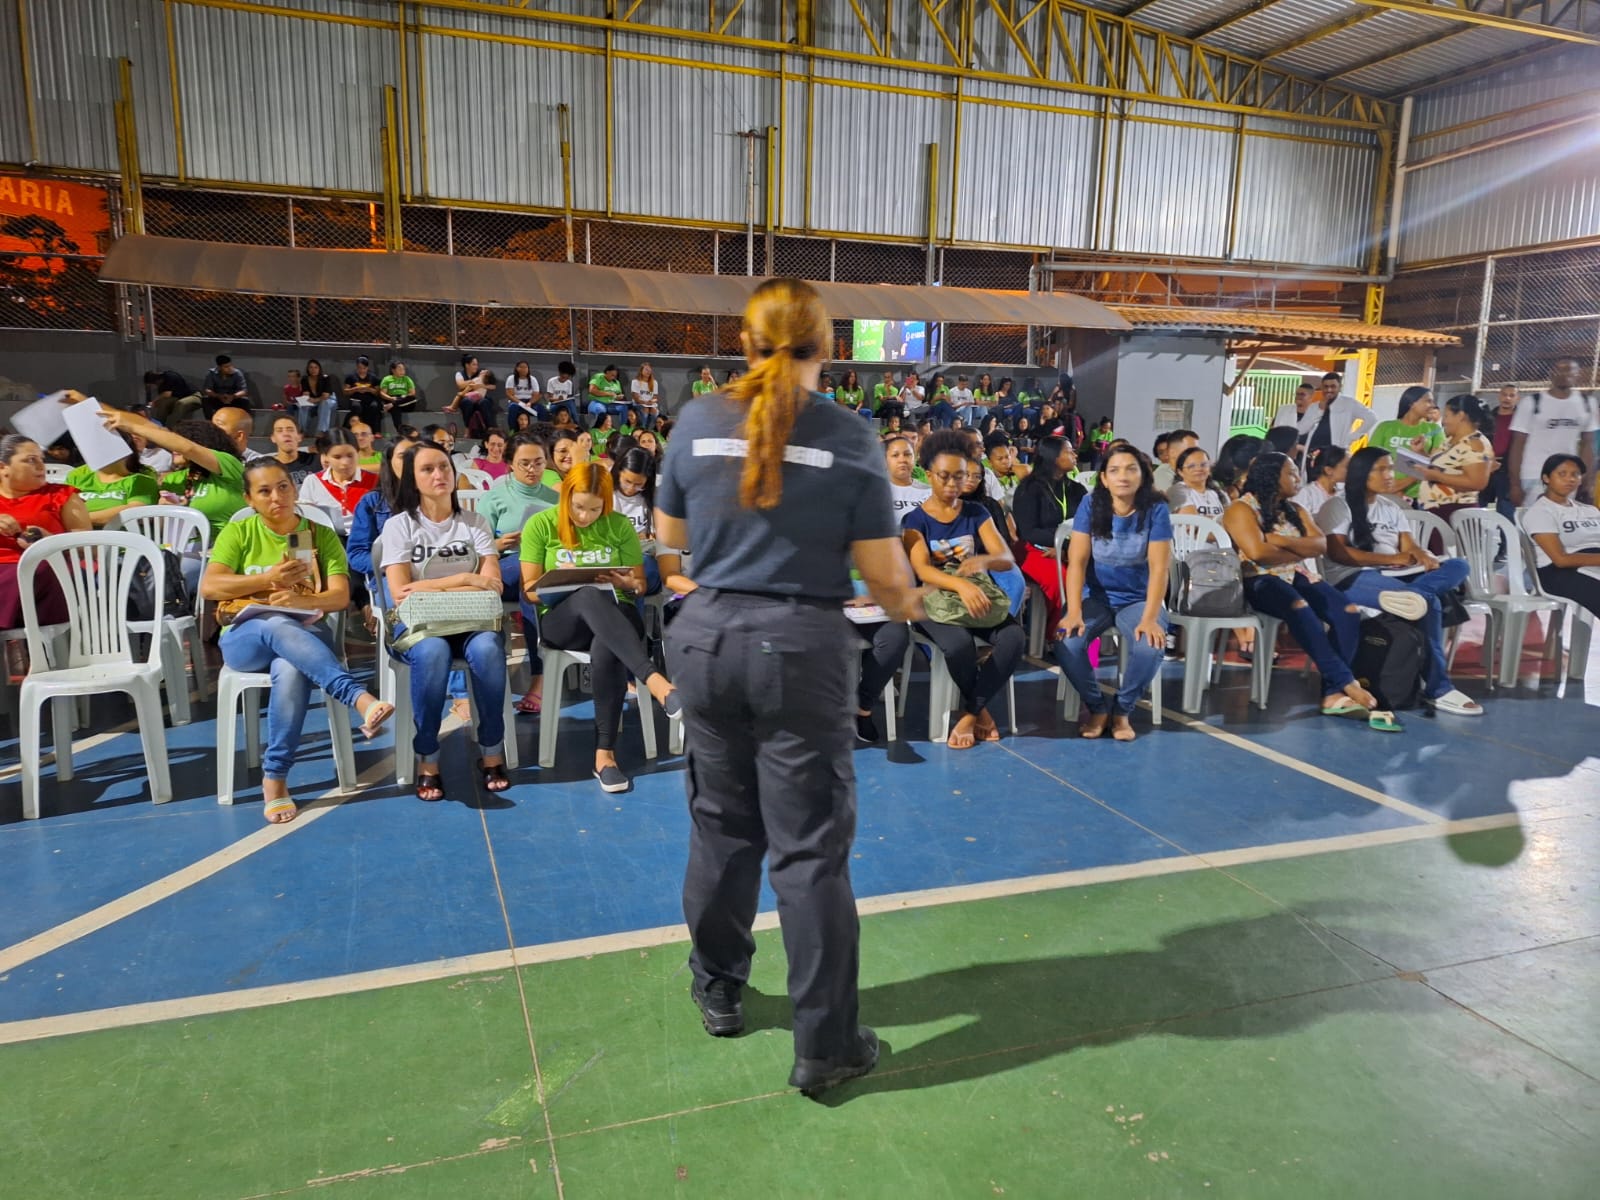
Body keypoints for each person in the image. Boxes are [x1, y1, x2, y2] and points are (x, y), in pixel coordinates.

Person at [656, 277, 922, 1096]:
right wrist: (910, 601)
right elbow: (887, 582)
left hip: (706, 640)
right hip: (800, 650)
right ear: (827, 347)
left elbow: (671, 539)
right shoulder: (848, 436)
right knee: (809, 853)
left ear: (743, 343)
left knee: (721, 827)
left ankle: (719, 988)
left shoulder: (696, 420)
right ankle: (825, 1047)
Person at [202, 460, 394, 822]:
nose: (277, 497)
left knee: (290, 669)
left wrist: (301, 601)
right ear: (249, 499)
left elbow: (339, 596)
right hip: (245, 638)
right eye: (264, 491)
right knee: (274, 622)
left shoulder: (318, 535)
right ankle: (357, 696)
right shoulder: (239, 532)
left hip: (305, 636)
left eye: (283, 487)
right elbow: (210, 586)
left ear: (294, 489)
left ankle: (275, 776)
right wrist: (270, 580)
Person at [521, 461, 680, 793]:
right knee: (588, 594)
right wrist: (561, 582)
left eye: (595, 509)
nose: (585, 516)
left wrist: (625, 581)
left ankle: (604, 757)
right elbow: (530, 591)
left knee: (606, 640)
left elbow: (639, 585)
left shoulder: (618, 525)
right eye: (579, 507)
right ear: (566, 497)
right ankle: (656, 682)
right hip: (563, 620)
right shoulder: (541, 525)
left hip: (617, 613)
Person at [378, 444, 510, 800]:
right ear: (412, 479)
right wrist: (466, 579)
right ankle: (428, 756)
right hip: (420, 626)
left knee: (488, 649)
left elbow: (494, 583)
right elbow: (401, 593)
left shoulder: (474, 522)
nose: (439, 475)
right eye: (427, 469)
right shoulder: (399, 526)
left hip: (471, 621)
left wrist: (428, 585)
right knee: (432, 652)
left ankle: (492, 750)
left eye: (444, 467)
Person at [1222, 452, 1389, 727]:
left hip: (1297, 574)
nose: (1298, 478)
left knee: (1346, 611)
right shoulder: (1241, 509)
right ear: (1271, 476)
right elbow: (1257, 553)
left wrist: (1279, 540)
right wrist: (1297, 550)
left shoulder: (1295, 509)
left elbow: (1321, 545)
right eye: (1291, 473)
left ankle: (1332, 695)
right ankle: (1346, 682)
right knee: (1298, 606)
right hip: (1257, 579)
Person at [1319, 447, 1480, 716]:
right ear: (1361, 473)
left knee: (1459, 565)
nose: (1390, 475)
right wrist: (1392, 558)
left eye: (1391, 468)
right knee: (1430, 603)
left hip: (1397, 576)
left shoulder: (1390, 507)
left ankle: (1415, 593)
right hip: (1352, 577)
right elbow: (1338, 553)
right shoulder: (1337, 505)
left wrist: (1424, 556)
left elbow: (1410, 546)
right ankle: (1439, 689)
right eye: (1381, 469)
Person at [903, 429, 1026, 751]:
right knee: (958, 646)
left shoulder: (977, 513)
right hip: (932, 602)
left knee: (1014, 638)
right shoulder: (915, 521)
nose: (952, 484)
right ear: (929, 474)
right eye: (944, 476)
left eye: (959, 476)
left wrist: (984, 561)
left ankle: (970, 713)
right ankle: (981, 711)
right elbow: (922, 569)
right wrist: (960, 583)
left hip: (976, 597)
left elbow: (1005, 558)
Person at [1053, 443, 1170, 740]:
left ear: (1143, 475)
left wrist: (1150, 618)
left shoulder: (1156, 508)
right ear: (1104, 478)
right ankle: (1097, 708)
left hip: (1138, 600)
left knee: (1150, 645)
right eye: (1114, 470)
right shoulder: (1091, 505)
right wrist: (1074, 611)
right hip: (1095, 597)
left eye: (1131, 469)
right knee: (1066, 640)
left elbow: (1159, 569)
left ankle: (1122, 710)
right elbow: (1077, 562)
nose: (1123, 476)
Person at [99, 408, 245, 590]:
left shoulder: (229, 466)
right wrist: (165, 511)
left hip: (217, 550)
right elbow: (161, 528)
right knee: (137, 571)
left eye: (177, 441)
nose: (172, 449)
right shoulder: (173, 480)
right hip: (175, 549)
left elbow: (188, 448)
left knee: (172, 573)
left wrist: (133, 427)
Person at [480, 433, 560, 716]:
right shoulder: (493, 498)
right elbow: (476, 548)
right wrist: (498, 543)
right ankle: (540, 676)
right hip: (508, 565)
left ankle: (549, 672)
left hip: (549, 565)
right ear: (510, 464)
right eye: (524, 463)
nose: (532, 469)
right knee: (530, 581)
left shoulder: (556, 499)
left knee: (540, 580)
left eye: (538, 462)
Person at [0, 435, 90, 630]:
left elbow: (89, 549)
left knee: (33, 570)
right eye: (31, 460)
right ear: (2, 467)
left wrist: (50, 540)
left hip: (43, 569)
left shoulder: (61, 495)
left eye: (41, 459)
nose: (42, 466)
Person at [1011, 434, 1088, 633]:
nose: (1075, 455)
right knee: (1061, 579)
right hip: (1033, 548)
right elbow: (1028, 531)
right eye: (1069, 451)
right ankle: (1056, 635)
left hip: (1071, 549)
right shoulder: (1029, 489)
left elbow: (1089, 526)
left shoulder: (1077, 490)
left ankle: (1088, 636)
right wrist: (1062, 545)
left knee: (1093, 576)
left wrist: (1067, 549)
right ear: (1053, 457)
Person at [1507, 356, 1598, 505]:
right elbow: (1517, 445)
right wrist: (1515, 484)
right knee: (1537, 518)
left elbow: (1588, 445)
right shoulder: (1531, 403)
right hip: (1534, 475)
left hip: (1568, 477)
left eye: (1569, 370)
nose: (1564, 374)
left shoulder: (1587, 403)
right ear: (1551, 373)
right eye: (1559, 370)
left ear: (1578, 374)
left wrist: (1588, 482)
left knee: (1564, 518)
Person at [1523, 453, 1600, 619]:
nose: (1570, 479)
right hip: (1557, 573)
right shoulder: (1540, 512)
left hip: (1592, 564)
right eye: (1562, 474)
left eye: (1575, 474)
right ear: (1546, 478)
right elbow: (1560, 559)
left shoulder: (1590, 511)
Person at [1414, 395, 1495, 523]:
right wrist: (1420, 452)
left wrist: (1436, 476)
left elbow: (1477, 482)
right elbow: (1443, 467)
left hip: (1456, 512)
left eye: (1446, 416)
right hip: (1436, 511)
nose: (1443, 421)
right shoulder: (1450, 440)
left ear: (1460, 416)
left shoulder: (1475, 443)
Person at [1368, 387, 1444, 501]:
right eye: (1428, 401)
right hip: (1385, 493)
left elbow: (1438, 464)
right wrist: (1392, 489)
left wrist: (1404, 483)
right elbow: (1371, 461)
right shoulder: (1385, 427)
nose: (1433, 405)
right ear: (1412, 403)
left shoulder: (1434, 430)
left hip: (1419, 497)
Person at [1274, 372, 1369, 461]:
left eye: (1333, 386)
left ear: (1340, 387)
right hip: (1310, 455)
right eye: (1326, 387)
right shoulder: (1315, 407)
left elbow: (1371, 418)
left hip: (1336, 454)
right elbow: (1301, 429)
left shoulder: (1349, 404)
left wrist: (1352, 437)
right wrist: (1319, 410)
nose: (1329, 390)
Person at [298, 431, 377, 535]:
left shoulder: (375, 480)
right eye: (337, 457)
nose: (345, 463)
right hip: (327, 538)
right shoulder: (313, 481)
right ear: (326, 457)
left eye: (350, 455)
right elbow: (305, 518)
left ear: (357, 453)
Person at [65, 444, 158, 528]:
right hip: (79, 537)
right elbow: (62, 508)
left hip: (122, 538)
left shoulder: (140, 480)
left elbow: (135, 512)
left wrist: (78, 520)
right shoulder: (78, 475)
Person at [1486, 383, 1521, 518]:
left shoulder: (1522, 420)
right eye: (1504, 394)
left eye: (1512, 395)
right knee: (1480, 506)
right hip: (1486, 467)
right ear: (1499, 396)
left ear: (1517, 398)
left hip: (1508, 471)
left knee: (1506, 510)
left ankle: (1506, 532)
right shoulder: (1488, 418)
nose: (1507, 398)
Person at [1166, 446, 1227, 519]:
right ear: (1180, 472)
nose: (1199, 469)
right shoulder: (1176, 491)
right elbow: (1192, 522)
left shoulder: (1218, 493)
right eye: (1191, 466)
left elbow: (1232, 519)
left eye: (1204, 465)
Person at [263, 414, 320, 487]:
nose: (286, 434)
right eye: (279, 431)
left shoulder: (316, 460)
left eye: (290, 430)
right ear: (273, 438)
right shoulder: (265, 467)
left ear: (300, 437)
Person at [883, 433, 931, 520]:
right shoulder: (875, 492)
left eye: (907, 454)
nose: (902, 460)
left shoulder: (929, 492)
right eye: (895, 455)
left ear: (914, 458)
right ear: (885, 460)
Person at [1297, 446, 1347, 520]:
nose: (1352, 469)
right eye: (1347, 466)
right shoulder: (1306, 494)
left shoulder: (1344, 493)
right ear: (1328, 470)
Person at [342, 356, 386, 430]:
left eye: (364, 368)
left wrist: (369, 390)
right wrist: (355, 389)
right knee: (356, 407)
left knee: (374, 407)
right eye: (359, 368)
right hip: (355, 399)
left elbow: (377, 392)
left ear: (367, 367)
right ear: (356, 367)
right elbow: (345, 392)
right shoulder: (351, 377)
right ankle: (348, 429)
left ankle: (374, 430)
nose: (362, 370)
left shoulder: (373, 377)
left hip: (370, 399)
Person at [299, 359, 340, 437]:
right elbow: (306, 393)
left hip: (329, 400)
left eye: (316, 367)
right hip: (315, 400)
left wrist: (315, 400)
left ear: (319, 369)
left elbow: (326, 395)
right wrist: (306, 396)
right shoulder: (304, 379)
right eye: (311, 367)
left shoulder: (326, 378)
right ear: (308, 369)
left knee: (324, 403)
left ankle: (322, 431)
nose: (313, 370)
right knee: (303, 406)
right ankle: (303, 431)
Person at [379, 360, 418, 435]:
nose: (402, 371)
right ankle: (400, 431)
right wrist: (391, 398)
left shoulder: (407, 379)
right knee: (395, 408)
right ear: (393, 370)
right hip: (392, 399)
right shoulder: (387, 379)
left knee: (412, 398)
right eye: (400, 369)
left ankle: (393, 404)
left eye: (403, 369)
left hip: (404, 400)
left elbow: (412, 393)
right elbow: (382, 393)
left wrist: (402, 398)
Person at [504, 361, 544, 427]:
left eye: (525, 367)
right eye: (521, 367)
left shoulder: (533, 379)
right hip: (516, 401)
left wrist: (530, 403)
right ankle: (513, 430)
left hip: (530, 402)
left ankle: (542, 429)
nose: (524, 369)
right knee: (513, 407)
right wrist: (520, 403)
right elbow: (510, 394)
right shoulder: (511, 378)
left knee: (541, 409)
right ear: (517, 368)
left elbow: (536, 395)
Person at [631, 362, 661, 430]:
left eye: (649, 370)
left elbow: (655, 396)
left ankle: (651, 430)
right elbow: (636, 398)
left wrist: (652, 401)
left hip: (650, 404)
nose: (648, 371)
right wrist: (645, 402)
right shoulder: (635, 382)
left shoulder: (654, 382)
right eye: (646, 370)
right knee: (645, 409)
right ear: (641, 371)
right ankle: (642, 429)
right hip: (638, 404)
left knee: (654, 411)